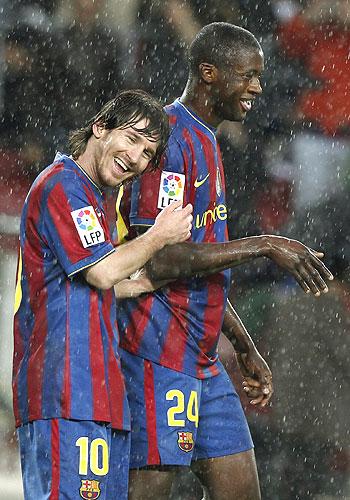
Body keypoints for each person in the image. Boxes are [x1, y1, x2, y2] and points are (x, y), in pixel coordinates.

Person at [115, 24, 334, 500]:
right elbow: (164, 259)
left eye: (260, 76)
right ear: (209, 74)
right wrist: (263, 244)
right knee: (149, 489)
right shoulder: (170, 139)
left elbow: (204, 265)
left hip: (202, 358)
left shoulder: (209, 142)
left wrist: (243, 343)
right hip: (158, 353)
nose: (257, 87)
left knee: (241, 491)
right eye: (248, 75)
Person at [12, 89, 193, 500]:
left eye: (147, 152)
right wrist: (159, 236)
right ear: (99, 127)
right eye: (131, 139)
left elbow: (99, 280)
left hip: (101, 395)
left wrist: (144, 282)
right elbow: (100, 272)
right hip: (62, 390)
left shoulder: (97, 198)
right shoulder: (63, 185)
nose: (136, 157)